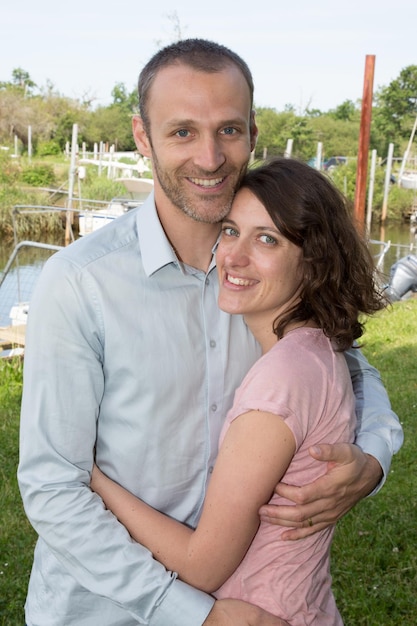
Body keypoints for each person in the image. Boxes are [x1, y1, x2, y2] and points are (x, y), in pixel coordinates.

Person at [18, 39, 403, 626]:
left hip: (255, 597)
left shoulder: (270, 275)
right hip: (107, 610)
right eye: (181, 133)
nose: (209, 156)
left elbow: (348, 365)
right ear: (142, 138)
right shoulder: (80, 284)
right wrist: (191, 612)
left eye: (228, 130)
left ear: (252, 132)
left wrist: (373, 458)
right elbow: (52, 486)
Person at [90, 156, 388, 624]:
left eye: (266, 239)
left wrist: (94, 480)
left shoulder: (282, 379)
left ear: (313, 263)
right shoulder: (314, 352)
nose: (233, 255)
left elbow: (201, 565)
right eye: (230, 231)